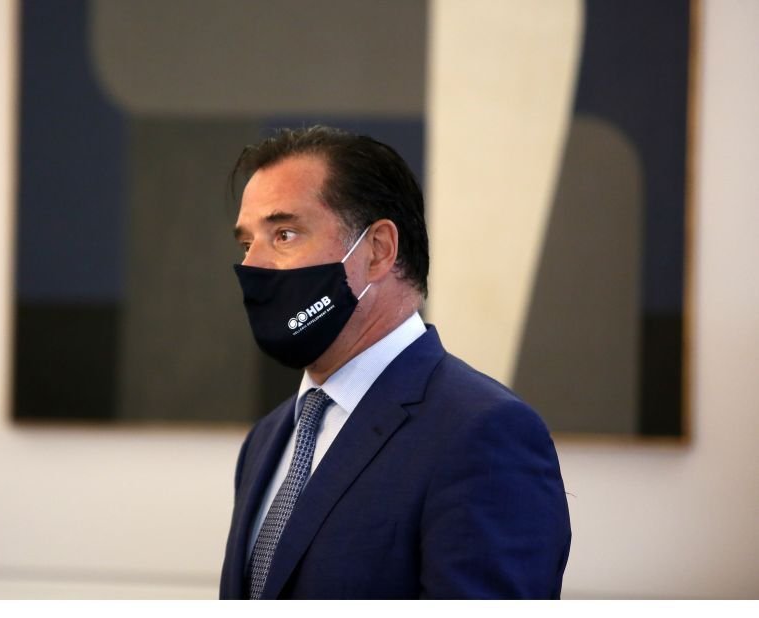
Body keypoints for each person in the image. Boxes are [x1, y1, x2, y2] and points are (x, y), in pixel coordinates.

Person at [219, 126, 571, 599]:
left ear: (378, 250)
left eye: (284, 234)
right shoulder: (267, 439)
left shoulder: (483, 434)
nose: (252, 265)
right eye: (247, 244)